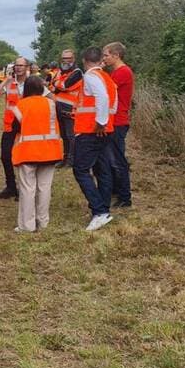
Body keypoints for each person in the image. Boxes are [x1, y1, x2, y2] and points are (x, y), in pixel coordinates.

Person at [72, 47, 118, 231]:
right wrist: (105, 123)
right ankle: (103, 209)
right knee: (102, 169)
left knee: (80, 170)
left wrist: (100, 122)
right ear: (100, 60)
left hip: (91, 131)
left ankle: (99, 212)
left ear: (84, 60)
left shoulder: (91, 76)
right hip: (105, 131)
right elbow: (112, 102)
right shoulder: (107, 77)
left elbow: (103, 98)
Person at [10, 76, 64, 232]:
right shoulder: (52, 104)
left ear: (26, 89)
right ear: (42, 88)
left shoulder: (20, 105)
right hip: (50, 152)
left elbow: (16, 128)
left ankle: (27, 226)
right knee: (45, 188)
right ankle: (43, 222)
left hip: (28, 153)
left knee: (28, 189)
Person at [0, 57, 28, 199]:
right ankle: (11, 186)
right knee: (5, 156)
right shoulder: (10, 83)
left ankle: (24, 190)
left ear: (27, 67)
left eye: (21, 65)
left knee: (23, 158)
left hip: (26, 125)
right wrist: (5, 81)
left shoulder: (32, 83)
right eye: (16, 65)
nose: (18, 68)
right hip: (10, 124)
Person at [103, 42, 133, 208]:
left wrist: (98, 71)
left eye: (106, 55)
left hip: (118, 121)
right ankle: (116, 190)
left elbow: (106, 90)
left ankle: (124, 197)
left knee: (117, 160)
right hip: (113, 121)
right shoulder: (116, 72)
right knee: (111, 158)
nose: (104, 58)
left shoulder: (123, 72)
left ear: (116, 55)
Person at [49, 49, 83, 166]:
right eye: (64, 58)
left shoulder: (77, 73)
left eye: (68, 58)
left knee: (70, 135)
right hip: (59, 106)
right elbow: (53, 85)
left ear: (73, 59)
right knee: (63, 135)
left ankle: (72, 159)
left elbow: (64, 85)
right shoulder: (60, 72)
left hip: (71, 109)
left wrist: (57, 84)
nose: (66, 61)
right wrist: (57, 85)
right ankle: (64, 157)